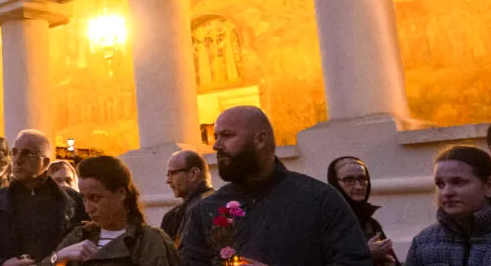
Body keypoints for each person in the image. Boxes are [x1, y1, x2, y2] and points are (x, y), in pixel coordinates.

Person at [179, 105, 371, 266]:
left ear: (260, 139)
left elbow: (354, 262)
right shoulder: (206, 210)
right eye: (216, 136)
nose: (216, 145)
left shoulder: (319, 200)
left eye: (227, 135)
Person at [0, 129, 87, 266]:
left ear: (45, 163)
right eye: (14, 152)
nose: (17, 160)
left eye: (27, 153)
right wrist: (3, 263)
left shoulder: (71, 200)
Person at [40, 155, 178, 266]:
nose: (88, 208)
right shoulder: (79, 235)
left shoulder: (149, 242)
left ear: (121, 194)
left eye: (95, 198)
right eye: (84, 198)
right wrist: (59, 256)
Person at [405, 146, 491, 266]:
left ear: (490, 186)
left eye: (457, 182)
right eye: (440, 184)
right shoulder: (423, 242)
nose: (446, 192)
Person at [327, 156, 396, 264]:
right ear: (335, 183)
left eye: (362, 179)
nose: (358, 186)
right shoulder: (326, 224)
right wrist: (366, 253)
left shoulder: (371, 224)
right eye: (349, 180)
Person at [160, 149, 213, 248]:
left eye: (172, 174)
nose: (168, 181)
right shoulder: (224, 202)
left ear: (193, 173)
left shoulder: (201, 208)